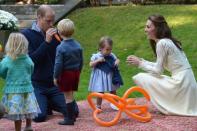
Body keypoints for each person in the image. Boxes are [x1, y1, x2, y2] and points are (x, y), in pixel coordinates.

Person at [126, 14, 197, 116]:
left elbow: (158, 71)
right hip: (187, 83)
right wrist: (143, 61)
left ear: (157, 28)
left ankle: (165, 106)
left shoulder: (162, 43)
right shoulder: (168, 41)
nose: (145, 30)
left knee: (140, 77)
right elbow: (159, 66)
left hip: (182, 85)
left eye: (148, 27)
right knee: (149, 76)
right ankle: (168, 104)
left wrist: (140, 64)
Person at [21, 5, 79, 123]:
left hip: (54, 84)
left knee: (74, 111)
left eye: (53, 20)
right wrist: (46, 42)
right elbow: (31, 61)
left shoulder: (57, 34)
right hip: (37, 84)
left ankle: (48, 102)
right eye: (48, 21)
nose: (52, 23)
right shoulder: (26, 34)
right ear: (39, 18)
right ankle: (40, 102)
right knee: (39, 117)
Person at [0, 33, 40, 131]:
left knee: (16, 113)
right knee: (28, 108)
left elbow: (2, 72)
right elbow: (31, 69)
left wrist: (7, 77)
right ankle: (28, 126)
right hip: (27, 89)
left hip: (13, 91)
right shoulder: (27, 58)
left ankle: (18, 129)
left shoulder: (7, 60)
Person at [53, 19, 83, 125]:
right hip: (75, 73)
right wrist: (78, 72)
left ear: (59, 32)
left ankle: (69, 119)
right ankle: (72, 116)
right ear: (73, 31)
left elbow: (58, 65)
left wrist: (56, 77)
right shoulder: (78, 45)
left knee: (67, 97)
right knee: (71, 95)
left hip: (66, 74)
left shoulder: (61, 47)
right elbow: (81, 61)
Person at [88, 36, 123, 110]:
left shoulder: (111, 55)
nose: (109, 51)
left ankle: (116, 104)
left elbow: (117, 59)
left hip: (110, 76)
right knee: (100, 92)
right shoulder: (96, 56)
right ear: (100, 48)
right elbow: (91, 64)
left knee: (113, 90)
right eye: (107, 49)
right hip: (100, 78)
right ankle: (98, 106)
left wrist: (117, 61)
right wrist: (97, 61)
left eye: (110, 49)